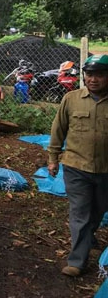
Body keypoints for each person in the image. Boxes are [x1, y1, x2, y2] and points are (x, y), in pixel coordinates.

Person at [47, 53, 108, 277]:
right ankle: (77, 261)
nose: (93, 79)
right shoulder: (71, 99)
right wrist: (53, 158)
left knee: (99, 210)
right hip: (76, 166)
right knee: (80, 212)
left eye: (100, 75)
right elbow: (58, 130)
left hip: (105, 170)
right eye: (89, 75)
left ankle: (88, 235)